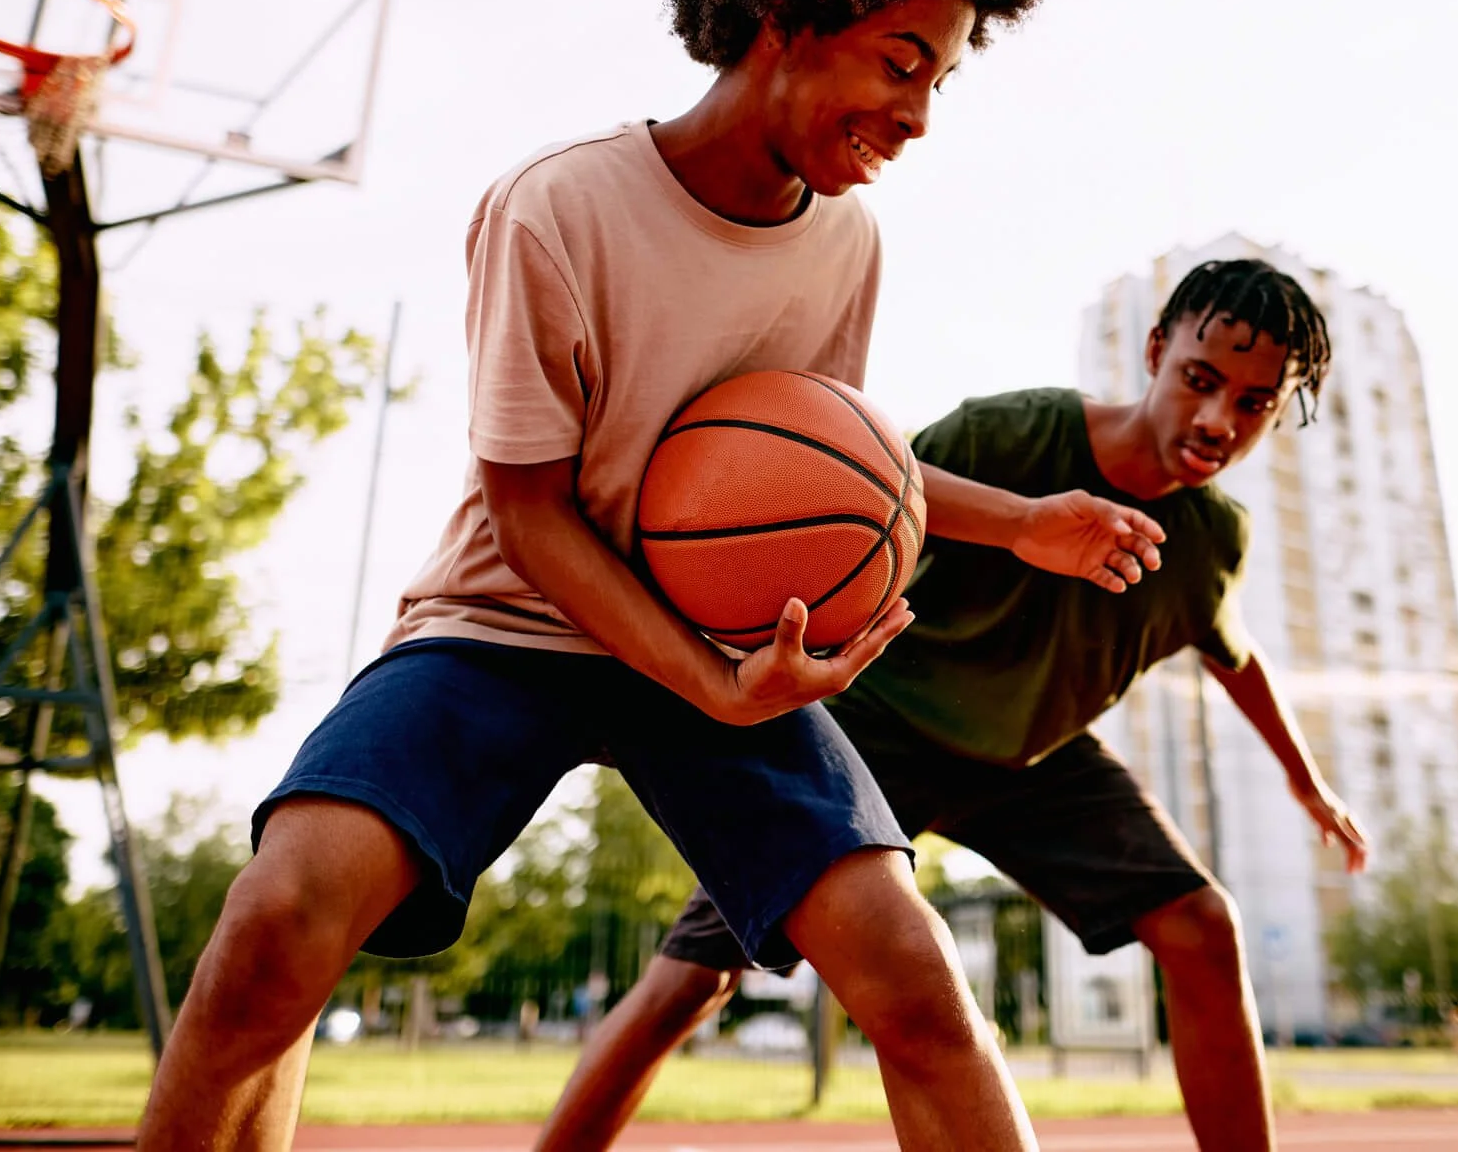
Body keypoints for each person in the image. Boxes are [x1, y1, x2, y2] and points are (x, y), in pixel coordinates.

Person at [137, 0, 1162, 1152]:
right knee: (271, 926)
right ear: (787, 11)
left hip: (719, 642)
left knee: (917, 980)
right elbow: (532, 508)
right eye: (901, 58)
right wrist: (704, 679)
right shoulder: (559, 207)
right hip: (510, 619)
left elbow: (827, 477)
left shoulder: (844, 245)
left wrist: (1020, 519)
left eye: (942, 77)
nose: (921, 112)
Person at [537, 260, 1371, 1152]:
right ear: (1158, 351)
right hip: (875, 731)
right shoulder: (1015, 432)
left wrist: (1306, 781)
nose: (1217, 420)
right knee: (694, 979)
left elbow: (1232, 654)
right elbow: (864, 481)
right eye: (1201, 382)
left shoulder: (1213, 540)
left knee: (1205, 928)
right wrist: (1021, 519)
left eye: (1252, 403)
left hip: (1034, 761)